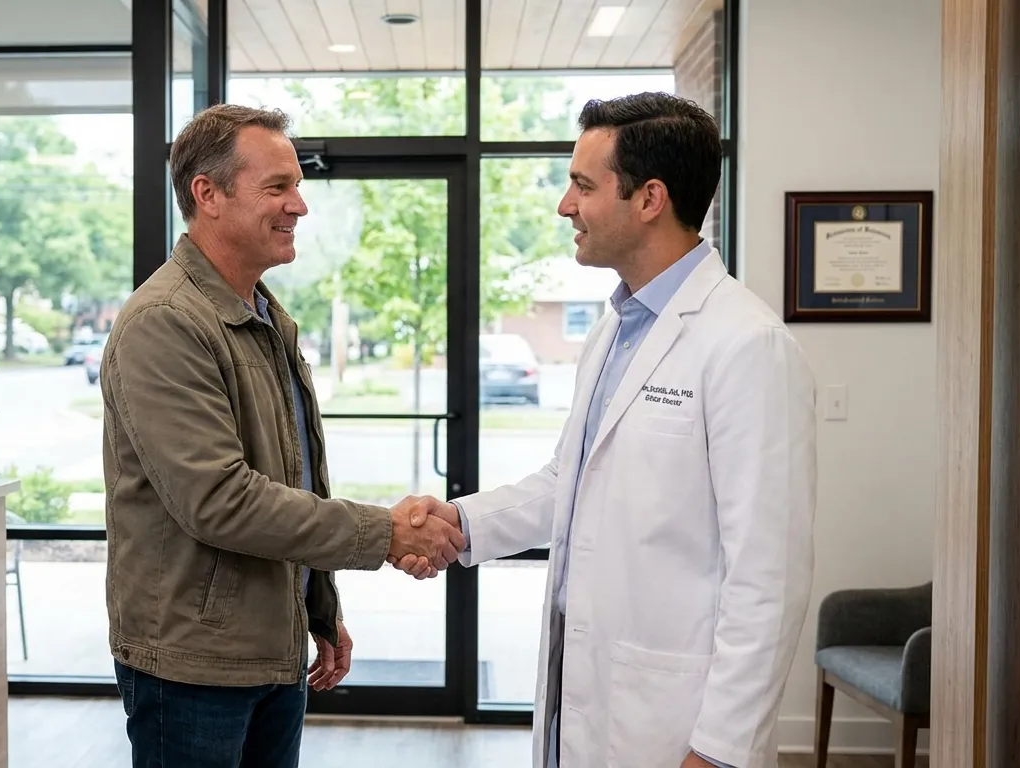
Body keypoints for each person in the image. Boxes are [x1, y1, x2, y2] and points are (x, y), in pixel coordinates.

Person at [395, 92, 817, 768]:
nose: (566, 206)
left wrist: (720, 749)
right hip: (586, 692)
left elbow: (769, 575)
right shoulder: (615, 329)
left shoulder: (746, 345)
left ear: (649, 198)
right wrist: (458, 523)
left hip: (677, 724)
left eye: (583, 186)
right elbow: (570, 480)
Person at [100, 103, 464, 768]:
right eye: (278, 187)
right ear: (207, 195)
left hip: (269, 653)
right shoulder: (165, 322)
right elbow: (220, 500)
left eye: (298, 185)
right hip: (192, 668)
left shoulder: (264, 315)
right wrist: (386, 533)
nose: (299, 205)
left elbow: (290, 479)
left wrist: (317, 608)